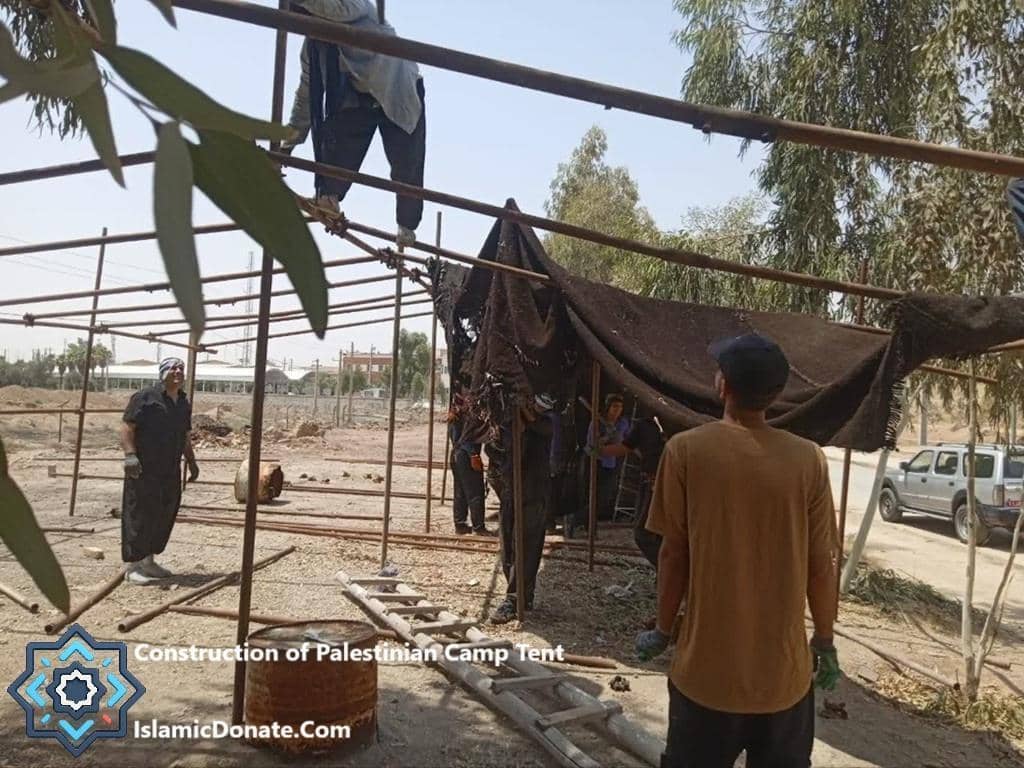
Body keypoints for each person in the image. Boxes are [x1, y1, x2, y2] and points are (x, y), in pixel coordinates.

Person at [636, 333, 840, 768]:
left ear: (723, 385)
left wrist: (664, 630)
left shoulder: (686, 451)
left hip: (705, 680)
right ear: (777, 394)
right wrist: (824, 640)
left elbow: (674, 555)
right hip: (784, 684)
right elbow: (821, 563)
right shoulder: (808, 460)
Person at [281, 0, 426, 247]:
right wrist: (285, 146)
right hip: (360, 97)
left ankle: (406, 225)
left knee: (406, 162)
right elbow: (305, 96)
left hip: (397, 88)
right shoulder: (313, 49)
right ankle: (328, 196)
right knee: (339, 136)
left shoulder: (352, 6)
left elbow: (335, 9)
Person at [120, 358, 198, 585]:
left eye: (181, 368)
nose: (178, 372)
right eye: (173, 368)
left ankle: (149, 561)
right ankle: (133, 566)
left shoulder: (182, 402)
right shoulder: (145, 397)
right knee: (140, 514)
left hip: (170, 469)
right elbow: (127, 426)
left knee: (164, 513)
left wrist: (192, 462)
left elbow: (184, 435)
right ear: (162, 372)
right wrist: (130, 455)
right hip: (144, 468)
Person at [491, 395, 555, 624]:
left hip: (534, 490)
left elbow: (540, 428)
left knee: (526, 544)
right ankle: (518, 592)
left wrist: (523, 417)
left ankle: (516, 597)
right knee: (508, 545)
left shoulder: (546, 423)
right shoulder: (510, 424)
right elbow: (497, 449)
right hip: (511, 488)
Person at [571, 393, 630, 536]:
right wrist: (606, 436)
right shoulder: (596, 423)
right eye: (615, 407)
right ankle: (579, 523)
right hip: (594, 461)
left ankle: (582, 522)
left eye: (620, 407)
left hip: (611, 462)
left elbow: (627, 440)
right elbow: (592, 445)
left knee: (604, 498)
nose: (617, 410)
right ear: (608, 408)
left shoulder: (623, 423)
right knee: (590, 495)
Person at [447, 397, 493, 537]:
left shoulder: (455, 415)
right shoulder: (471, 416)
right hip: (467, 454)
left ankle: (460, 524)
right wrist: (473, 455)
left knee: (460, 490)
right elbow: (467, 439)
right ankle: (478, 527)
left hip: (457, 453)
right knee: (475, 491)